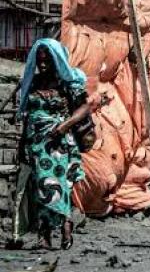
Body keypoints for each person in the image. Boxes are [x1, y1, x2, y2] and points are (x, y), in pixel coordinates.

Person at [15, 39, 92, 250]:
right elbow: (28, 115)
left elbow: (85, 107)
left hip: (59, 142)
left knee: (59, 185)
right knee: (42, 186)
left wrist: (65, 125)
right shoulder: (33, 81)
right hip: (37, 142)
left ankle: (65, 222)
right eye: (39, 61)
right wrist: (23, 143)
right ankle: (45, 233)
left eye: (47, 60)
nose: (42, 65)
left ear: (56, 60)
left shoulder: (67, 82)